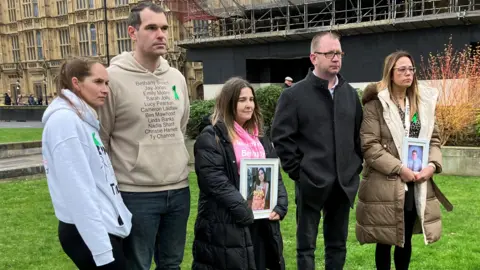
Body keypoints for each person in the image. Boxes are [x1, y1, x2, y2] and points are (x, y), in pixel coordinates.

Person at [97, 2, 191, 269]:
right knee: (137, 265)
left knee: (172, 264)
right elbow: (102, 137)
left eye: (164, 27)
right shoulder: (112, 79)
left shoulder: (176, 77)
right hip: (135, 193)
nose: (161, 34)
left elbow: (180, 126)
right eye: (151, 28)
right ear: (132, 32)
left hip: (178, 188)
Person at [271, 31, 363, 270]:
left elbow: (358, 136)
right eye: (330, 53)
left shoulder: (350, 94)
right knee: (305, 248)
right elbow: (282, 138)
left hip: (343, 185)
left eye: (339, 53)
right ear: (313, 57)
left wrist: (353, 168)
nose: (336, 58)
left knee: (337, 246)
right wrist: (300, 173)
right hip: (310, 183)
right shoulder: (293, 96)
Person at [356, 51, 453, 270]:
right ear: (390, 74)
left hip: (415, 181)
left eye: (411, 69)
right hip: (385, 183)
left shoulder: (420, 105)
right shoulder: (376, 105)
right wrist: (399, 168)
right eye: (402, 69)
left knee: (405, 238)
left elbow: (433, 140)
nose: (408, 73)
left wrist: (432, 165)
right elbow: (370, 146)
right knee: (384, 240)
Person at [41, 57, 132, 269]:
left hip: (103, 228)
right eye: (98, 82)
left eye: (107, 83)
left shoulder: (83, 119)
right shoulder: (65, 122)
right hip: (87, 232)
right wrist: (102, 253)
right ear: (76, 83)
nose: (105, 89)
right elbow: (78, 191)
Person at [193, 77, 288, 270]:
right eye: (242, 100)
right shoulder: (212, 137)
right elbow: (214, 181)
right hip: (226, 224)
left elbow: (273, 174)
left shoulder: (259, 136)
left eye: (251, 99)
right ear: (228, 103)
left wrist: (280, 203)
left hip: (261, 223)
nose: (249, 105)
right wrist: (244, 210)